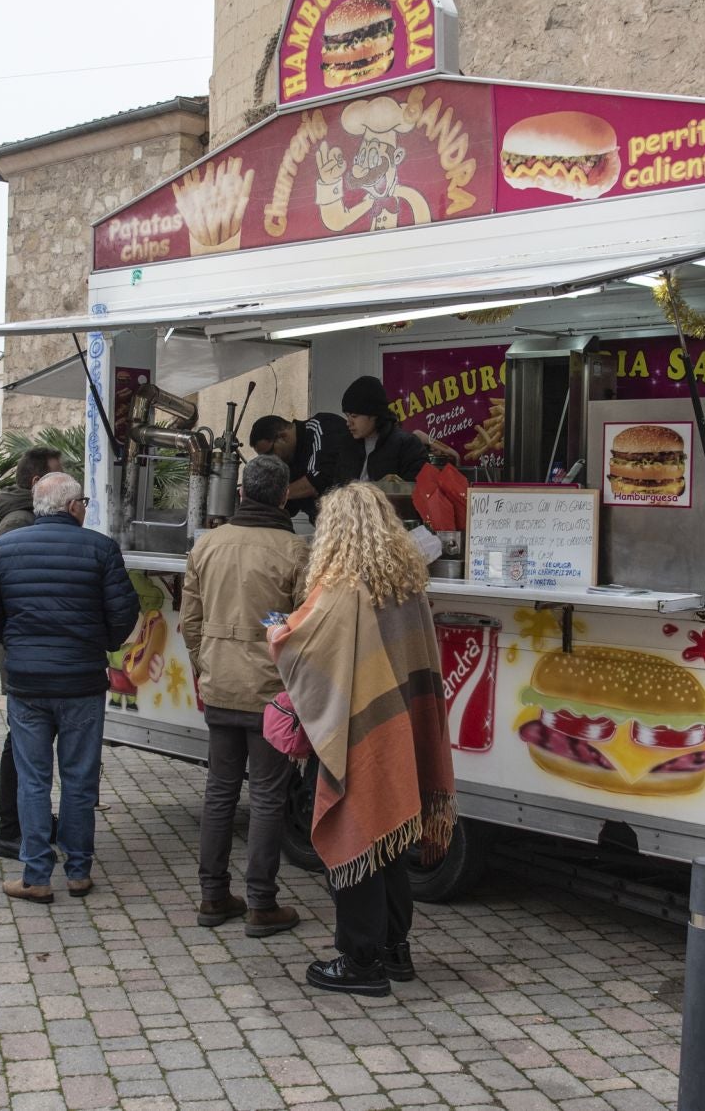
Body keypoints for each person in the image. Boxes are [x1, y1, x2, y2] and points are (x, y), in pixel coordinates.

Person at [271, 481, 455, 997]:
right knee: (390, 836)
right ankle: (395, 948)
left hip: (356, 733)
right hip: (400, 729)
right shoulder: (406, 584)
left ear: (335, 529)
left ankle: (361, 959)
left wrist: (275, 632)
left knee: (357, 836)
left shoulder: (341, 589)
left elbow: (298, 643)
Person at [0, 472, 137, 904]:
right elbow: (124, 612)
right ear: (72, 507)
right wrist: (103, 643)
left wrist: (15, 640)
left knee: (33, 780)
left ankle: (36, 875)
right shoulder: (101, 549)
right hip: (81, 681)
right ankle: (78, 871)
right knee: (80, 781)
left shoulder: (6, 547)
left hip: (27, 683)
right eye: (82, 501)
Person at [180, 454, 307, 937]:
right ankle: (261, 903)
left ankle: (213, 897)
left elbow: (189, 622)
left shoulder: (207, 545)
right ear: (282, 497)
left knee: (219, 793)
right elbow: (302, 629)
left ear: (239, 494)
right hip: (270, 693)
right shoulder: (295, 550)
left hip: (219, 686)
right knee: (269, 797)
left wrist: (207, 662)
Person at [0, 445, 64, 859]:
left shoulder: (24, 516)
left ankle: (24, 822)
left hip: (25, 646)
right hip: (23, 649)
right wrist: (15, 637)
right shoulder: (19, 522)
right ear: (38, 482)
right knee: (20, 741)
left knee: (25, 738)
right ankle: (11, 828)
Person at [249, 413, 350, 522]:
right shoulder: (286, 460)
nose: (269, 460)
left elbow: (319, 479)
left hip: (354, 517)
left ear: (283, 437)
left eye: (269, 453)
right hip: (327, 526)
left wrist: (274, 495)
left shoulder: (322, 426)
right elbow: (290, 507)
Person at [338, 376, 431, 484]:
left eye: (354, 416)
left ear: (374, 415)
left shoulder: (407, 445)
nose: (348, 423)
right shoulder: (347, 444)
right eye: (347, 415)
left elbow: (419, 489)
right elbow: (338, 486)